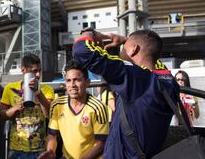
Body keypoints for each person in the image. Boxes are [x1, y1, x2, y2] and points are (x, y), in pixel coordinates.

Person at [73, 28, 179, 158]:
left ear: (134, 49)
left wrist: (93, 34)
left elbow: (81, 52)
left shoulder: (136, 79)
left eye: (124, 48)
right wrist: (127, 41)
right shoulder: (170, 82)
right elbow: (152, 56)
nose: (121, 50)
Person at [39, 60, 108, 159]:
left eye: (77, 80)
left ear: (87, 82)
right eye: (68, 80)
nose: (72, 85)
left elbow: (101, 144)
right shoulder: (57, 105)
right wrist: (51, 151)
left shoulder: (98, 107)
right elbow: (52, 135)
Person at [0, 53, 55, 159]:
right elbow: (1, 116)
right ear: (23, 70)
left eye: (39, 70)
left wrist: (38, 93)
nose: (38, 75)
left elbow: (48, 115)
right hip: (16, 149)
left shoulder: (47, 90)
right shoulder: (10, 88)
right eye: (34, 71)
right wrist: (15, 108)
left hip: (39, 149)